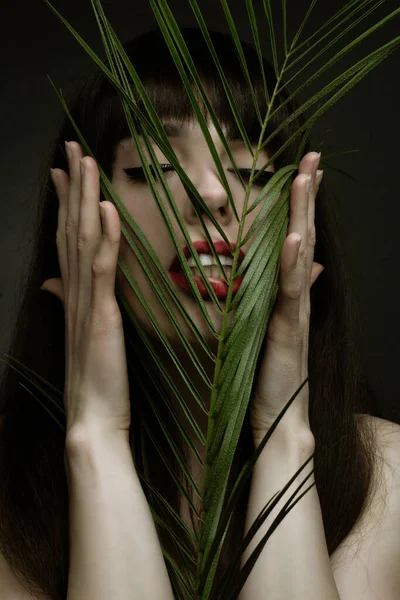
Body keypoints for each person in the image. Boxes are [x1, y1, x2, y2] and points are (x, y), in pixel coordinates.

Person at [0, 26, 399, 600]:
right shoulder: (8, 489)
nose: (213, 195)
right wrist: (96, 438)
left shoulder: (390, 478)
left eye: (253, 173)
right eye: (153, 168)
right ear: (76, 220)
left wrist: (284, 434)